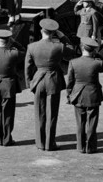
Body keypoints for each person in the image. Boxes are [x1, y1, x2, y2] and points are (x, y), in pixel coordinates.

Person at [25, 19, 70, 151]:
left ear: (41, 31)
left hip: (38, 79)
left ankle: (40, 142)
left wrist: (29, 83)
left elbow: (27, 67)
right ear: (53, 33)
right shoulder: (59, 46)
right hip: (54, 80)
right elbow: (72, 51)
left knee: (39, 112)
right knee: (52, 113)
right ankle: (50, 143)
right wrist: (63, 37)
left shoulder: (31, 47)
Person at [66, 37, 103, 154]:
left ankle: (80, 146)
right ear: (93, 50)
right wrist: (97, 54)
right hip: (93, 94)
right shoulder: (97, 63)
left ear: (82, 47)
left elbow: (70, 82)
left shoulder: (73, 62)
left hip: (78, 94)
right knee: (92, 122)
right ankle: (91, 147)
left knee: (80, 122)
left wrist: (69, 95)